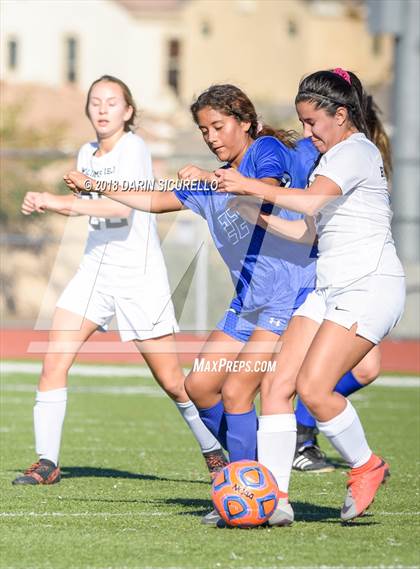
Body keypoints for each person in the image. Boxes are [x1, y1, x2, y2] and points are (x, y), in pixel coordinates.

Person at [64, 84, 319, 526]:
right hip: (248, 301)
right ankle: (251, 473)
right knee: (200, 387)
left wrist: (205, 174)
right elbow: (155, 199)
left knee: (240, 390)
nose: (212, 136)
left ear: (244, 121)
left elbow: (265, 190)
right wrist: (96, 184)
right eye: (204, 130)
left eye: (219, 126)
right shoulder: (211, 180)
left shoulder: (265, 150)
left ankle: (254, 487)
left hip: (287, 292)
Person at [215, 68, 406, 522]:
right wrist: (255, 213)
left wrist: (246, 184)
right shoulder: (330, 159)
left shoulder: (356, 151)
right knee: (276, 387)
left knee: (315, 390)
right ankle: (275, 499)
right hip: (329, 286)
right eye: (301, 123)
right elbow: (304, 232)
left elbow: (305, 202)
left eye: (312, 123)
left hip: (368, 286)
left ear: (341, 115)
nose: (306, 133)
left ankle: (365, 465)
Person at [13, 75, 223, 486]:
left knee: (171, 381)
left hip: (137, 276)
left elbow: (121, 209)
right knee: (54, 361)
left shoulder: (134, 148)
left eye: (112, 102)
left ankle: (213, 450)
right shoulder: (85, 152)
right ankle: (47, 461)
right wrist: (58, 201)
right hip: (94, 270)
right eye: (96, 102)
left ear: (128, 112)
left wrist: (56, 201)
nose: (103, 108)